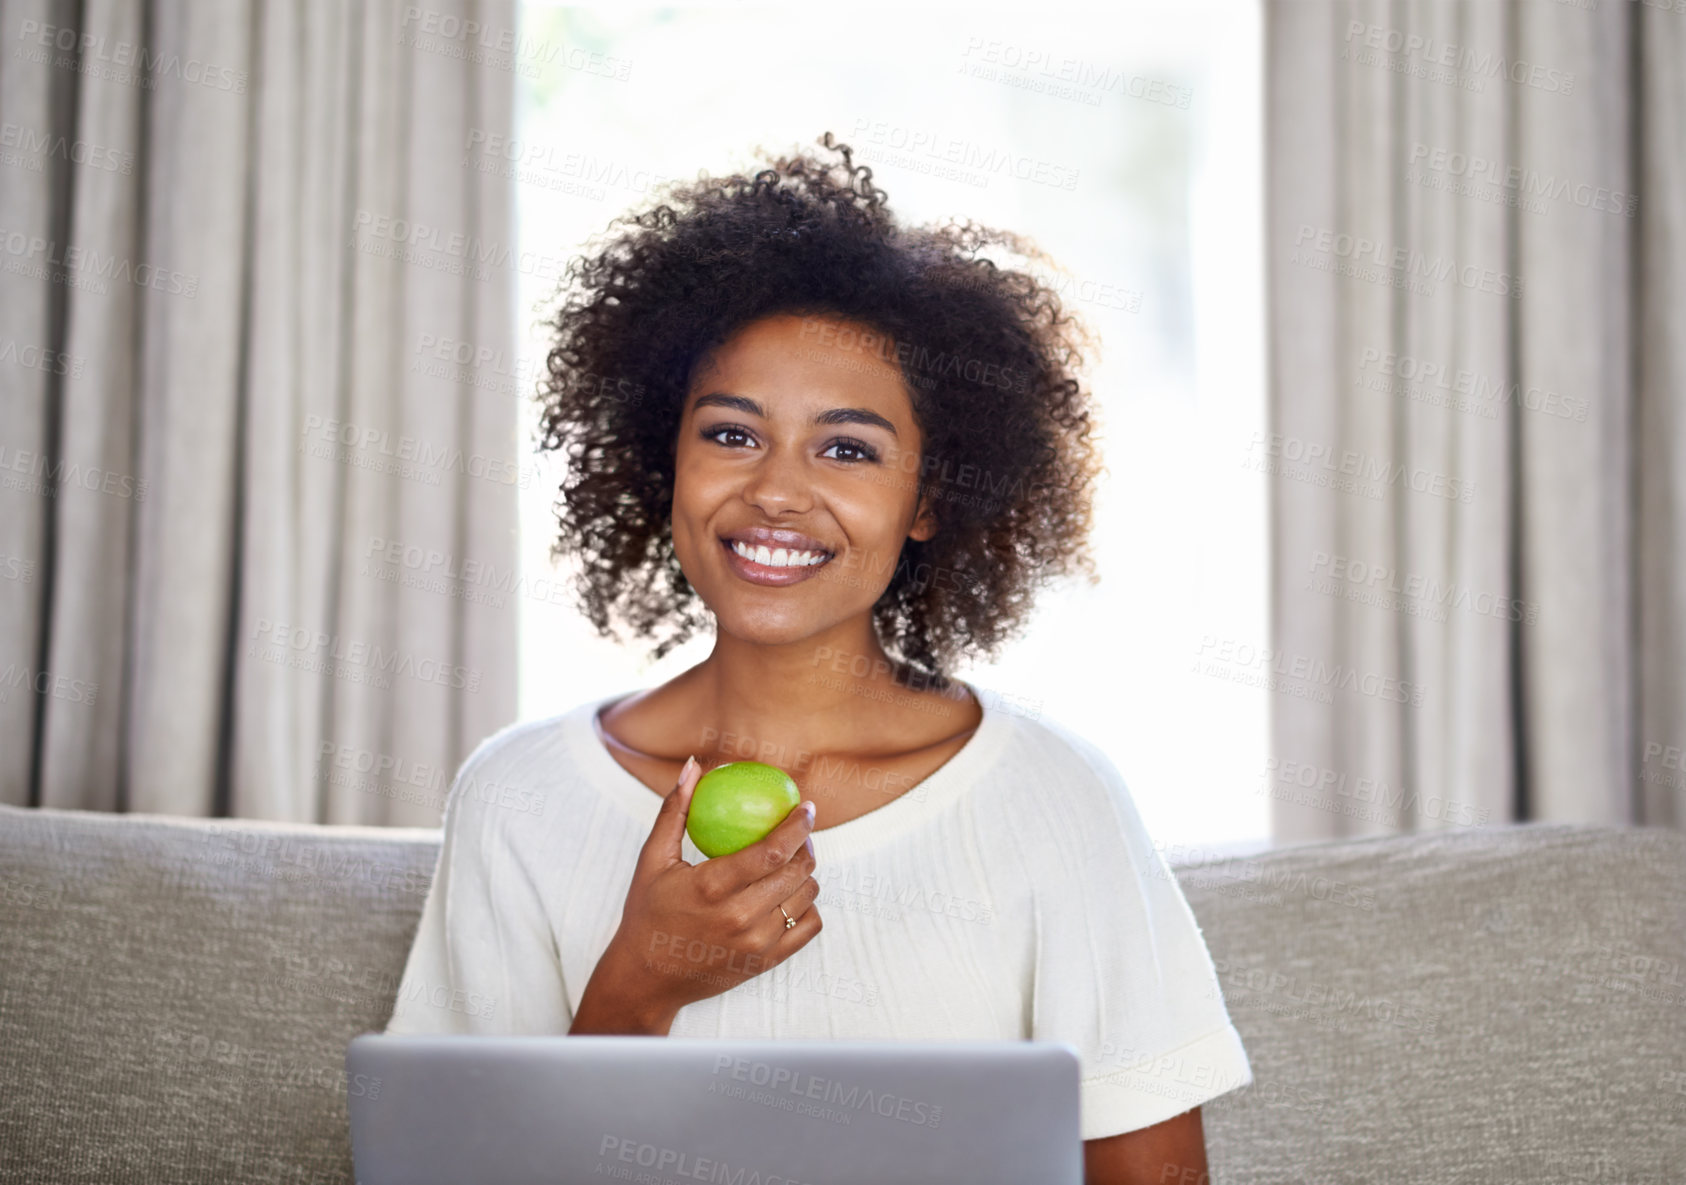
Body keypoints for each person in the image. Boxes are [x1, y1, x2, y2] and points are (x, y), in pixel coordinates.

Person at [386, 132, 1252, 1183]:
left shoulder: (1051, 799)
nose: (777, 492)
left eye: (848, 449)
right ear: (667, 463)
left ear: (931, 500)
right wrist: (639, 987)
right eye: (731, 435)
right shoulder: (518, 798)